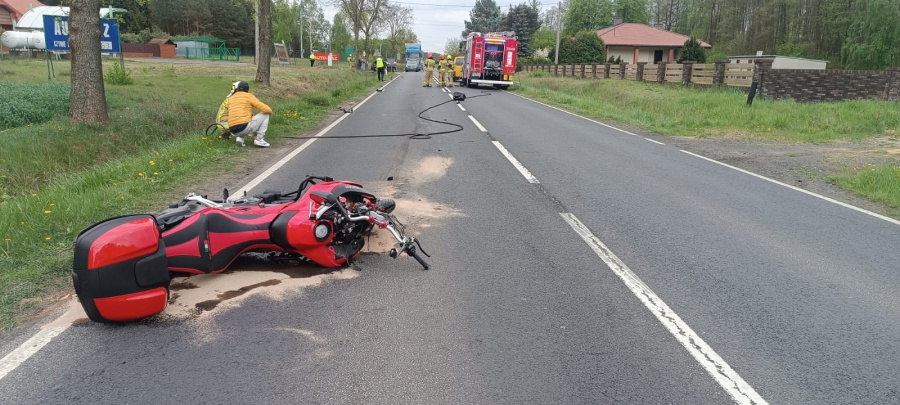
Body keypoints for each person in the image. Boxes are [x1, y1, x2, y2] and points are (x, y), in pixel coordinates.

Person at [227, 81, 272, 148]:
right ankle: (259, 139)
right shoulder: (249, 96)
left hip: (232, 130)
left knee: (243, 119)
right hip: (244, 127)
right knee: (265, 114)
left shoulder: (231, 99)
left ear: (237, 89)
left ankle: (240, 138)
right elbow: (267, 110)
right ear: (247, 89)